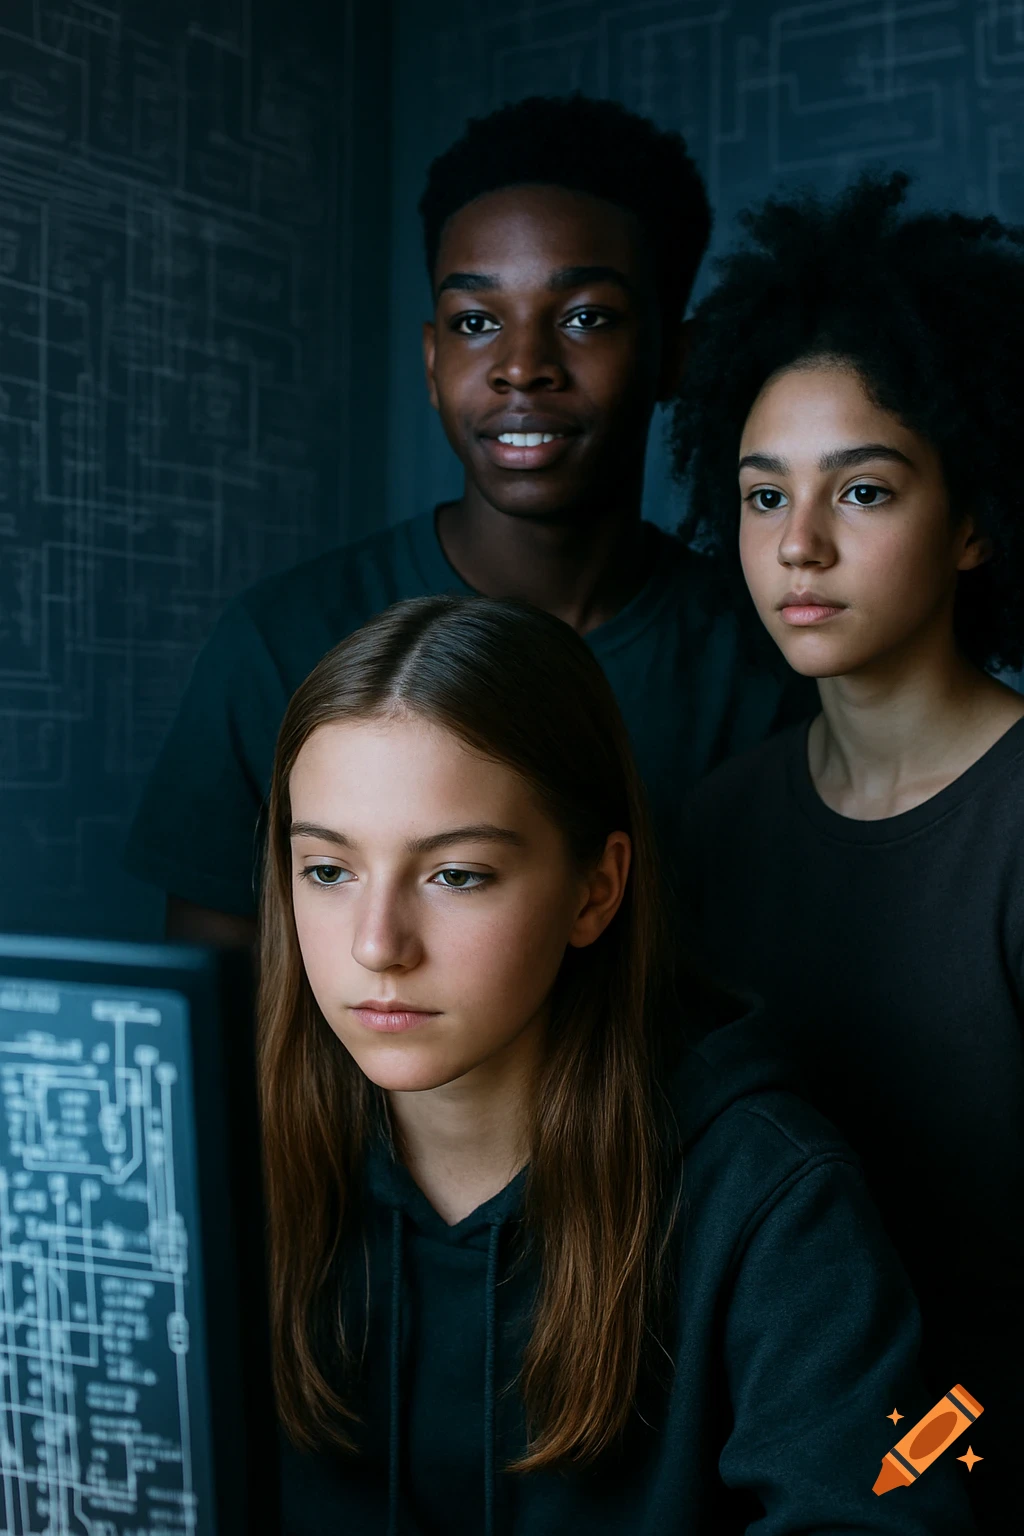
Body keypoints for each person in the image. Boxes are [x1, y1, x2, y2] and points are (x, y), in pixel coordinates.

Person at [259, 593, 973, 1536]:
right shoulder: (220, 1162)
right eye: (329, 870)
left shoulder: (771, 1199)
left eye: (455, 875)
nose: (378, 944)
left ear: (596, 891)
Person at [122, 93, 811, 947]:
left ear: (676, 355)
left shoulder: (769, 655)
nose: (523, 367)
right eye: (476, 323)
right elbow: (218, 1014)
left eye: (586, 318)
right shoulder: (283, 641)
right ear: (432, 357)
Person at [671, 172, 1024, 1531]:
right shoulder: (719, 823)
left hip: (966, 1435)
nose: (798, 546)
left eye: (861, 490)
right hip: (767, 1424)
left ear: (976, 519)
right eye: (764, 497)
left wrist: (908, 1465)